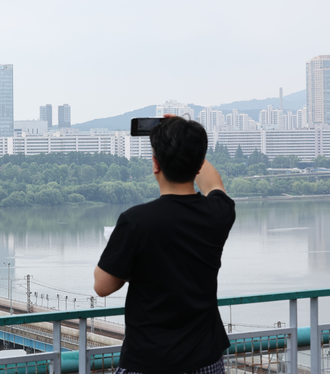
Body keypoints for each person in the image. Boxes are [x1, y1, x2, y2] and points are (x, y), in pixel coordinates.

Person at [93, 115, 235, 374]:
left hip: (148, 362)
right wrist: (185, 138)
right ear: (198, 164)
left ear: (155, 164)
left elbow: (102, 286)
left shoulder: (135, 221)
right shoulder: (219, 213)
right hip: (206, 361)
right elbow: (213, 182)